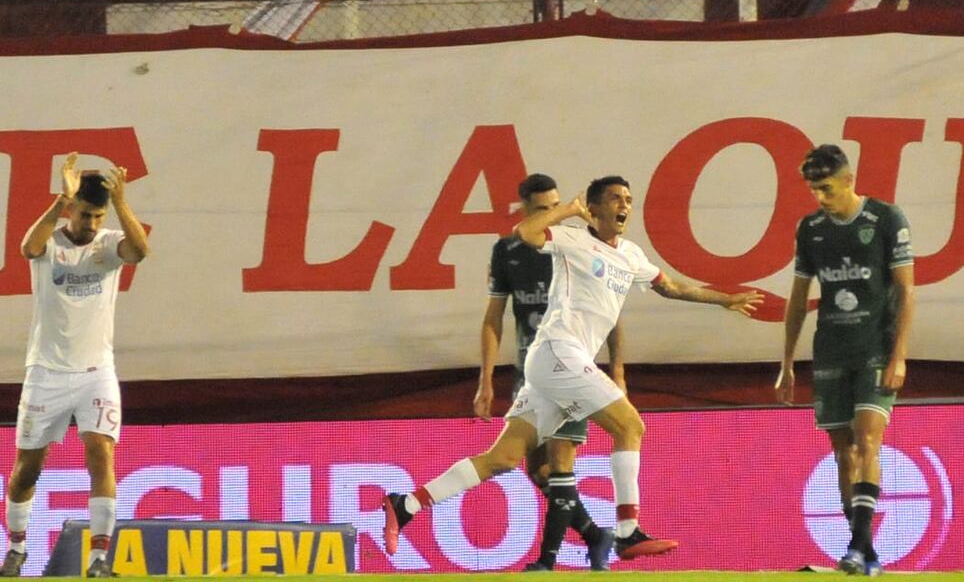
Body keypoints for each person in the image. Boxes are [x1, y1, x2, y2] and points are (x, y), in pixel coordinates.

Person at [384, 175, 762, 566]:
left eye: (629, 199)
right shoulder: (571, 238)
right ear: (594, 207)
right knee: (630, 427)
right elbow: (524, 231)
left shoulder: (631, 255)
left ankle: (406, 504)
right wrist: (568, 210)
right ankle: (627, 531)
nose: (624, 205)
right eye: (615, 198)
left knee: (504, 458)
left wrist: (725, 300)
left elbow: (673, 287)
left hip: (556, 364)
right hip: (557, 352)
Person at [0, 153, 150, 578]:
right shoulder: (51, 243)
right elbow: (27, 247)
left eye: (98, 216)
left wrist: (121, 204)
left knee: (101, 454)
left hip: (95, 372)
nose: (91, 224)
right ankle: (17, 548)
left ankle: (100, 560)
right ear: (71, 210)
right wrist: (56, 202)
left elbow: (140, 251)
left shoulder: (109, 245)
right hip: (46, 371)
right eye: (85, 214)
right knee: (27, 469)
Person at [776, 144, 914, 577]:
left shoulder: (886, 219)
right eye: (814, 189)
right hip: (830, 349)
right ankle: (864, 553)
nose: (820, 197)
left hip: (874, 348)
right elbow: (798, 299)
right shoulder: (811, 228)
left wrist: (900, 357)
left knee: (867, 442)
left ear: (849, 180)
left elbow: (907, 292)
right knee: (841, 453)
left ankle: (857, 547)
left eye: (827, 187)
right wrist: (786, 363)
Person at [475, 173, 619, 571]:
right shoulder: (508, 251)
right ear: (524, 210)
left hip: (572, 366)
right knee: (537, 470)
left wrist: (618, 370)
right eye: (543, 209)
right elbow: (494, 317)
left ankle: (547, 562)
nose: (553, 216)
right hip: (531, 370)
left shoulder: (578, 245)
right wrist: (486, 379)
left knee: (558, 463)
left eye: (557, 207)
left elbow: (612, 312)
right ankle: (594, 534)